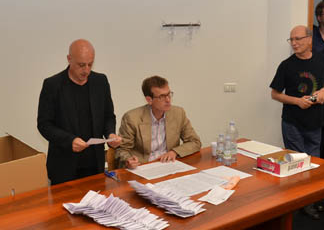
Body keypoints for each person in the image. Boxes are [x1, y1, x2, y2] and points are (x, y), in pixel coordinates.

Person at [271, 25, 324, 219]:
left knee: (313, 162)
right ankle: (302, 202)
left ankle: (310, 199)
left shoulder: (321, 60)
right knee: (298, 163)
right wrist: (297, 101)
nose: (294, 43)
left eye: (298, 39)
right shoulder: (286, 65)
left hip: (315, 121)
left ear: (309, 39)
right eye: (291, 39)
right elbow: (275, 94)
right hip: (292, 122)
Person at [37, 39, 122, 185]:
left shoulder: (100, 81)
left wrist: (110, 134)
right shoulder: (53, 85)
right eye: (81, 65)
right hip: (64, 166)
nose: (86, 70)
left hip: (95, 164)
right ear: (69, 59)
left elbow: (108, 116)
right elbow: (44, 124)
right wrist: (69, 140)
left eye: (90, 64)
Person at [115, 76, 201, 169]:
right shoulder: (132, 118)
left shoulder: (178, 113)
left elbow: (195, 142)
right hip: (143, 167)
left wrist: (174, 152)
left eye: (169, 94)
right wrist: (128, 160)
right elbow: (122, 149)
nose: (168, 100)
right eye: (161, 97)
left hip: (170, 164)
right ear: (149, 100)